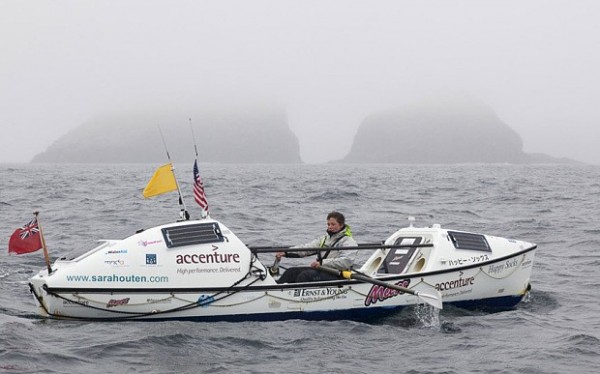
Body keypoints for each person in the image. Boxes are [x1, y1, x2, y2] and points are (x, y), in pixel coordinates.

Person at [275, 211, 358, 283]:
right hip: (322, 270)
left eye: (333, 224)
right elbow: (307, 248)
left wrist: (322, 263)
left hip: (338, 274)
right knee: (291, 272)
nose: (330, 226)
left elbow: (346, 261)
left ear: (341, 225)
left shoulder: (348, 241)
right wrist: (286, 252)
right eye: (328, 224)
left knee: (305, 276)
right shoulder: (324, 239)